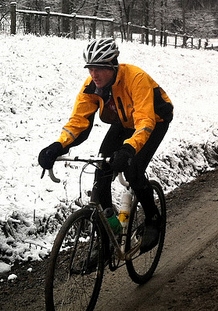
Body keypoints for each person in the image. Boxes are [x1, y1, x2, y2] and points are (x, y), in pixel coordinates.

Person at [38, 37, 173, 250]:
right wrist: (58, 145)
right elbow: (78, 121)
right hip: (125, 120)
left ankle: (153, 218)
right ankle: (111, 232)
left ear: (113, 66)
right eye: (90, 68)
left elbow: (145, 122)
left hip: (155, 120)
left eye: (99, 68)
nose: (94, 74)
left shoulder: (136, 79)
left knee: (133, 169)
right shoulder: (92, 86)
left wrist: (128, 149)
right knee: (102, 167)